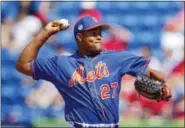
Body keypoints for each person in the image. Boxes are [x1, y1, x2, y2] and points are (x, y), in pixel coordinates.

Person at [16, 16, 171, 128]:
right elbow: (23, 64)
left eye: (99, 33)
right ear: (79, 37)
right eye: (93, 33)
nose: (98, 37)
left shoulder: (117, 58)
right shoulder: (61, 64)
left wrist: (164, 85)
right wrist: (45, 33)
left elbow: (152, 73)